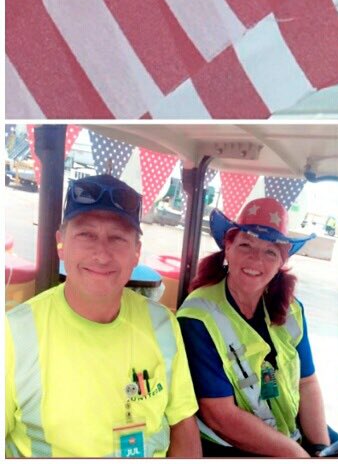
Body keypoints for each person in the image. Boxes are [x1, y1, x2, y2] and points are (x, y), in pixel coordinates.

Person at [5, 175, 200, 458]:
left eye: (117, 238)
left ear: (136, 253)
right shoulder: (13, 334)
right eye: (86, 234)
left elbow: (182, 421)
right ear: (61, 243)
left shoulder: (162, 323)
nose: (101, 253)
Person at [177, 198, 334, 457]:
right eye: (245, 245)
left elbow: (307, 382)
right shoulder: (198, 317)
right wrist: (298, 454)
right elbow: (220, 415)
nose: (255, 260)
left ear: (281, 261)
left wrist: (319, 447)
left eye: (270, 252)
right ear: (227, 248)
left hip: (289, 432)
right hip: (231, 445)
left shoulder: (292, 308)